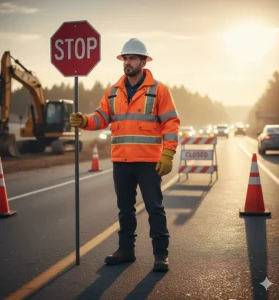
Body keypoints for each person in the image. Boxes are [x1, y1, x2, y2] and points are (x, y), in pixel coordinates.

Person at [70, 38, 180, 272]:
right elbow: (101, 117)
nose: (127, 62)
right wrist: (85, 121)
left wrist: (168, 153)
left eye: (132, 58)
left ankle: (161, 254)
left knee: (154, 207)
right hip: (121, 161)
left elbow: (171, 122)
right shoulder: (113, 92)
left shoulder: (159, 90)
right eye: (125, 58)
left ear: (143, 61)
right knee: (125, 209)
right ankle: (126, 250)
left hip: (149, 161)